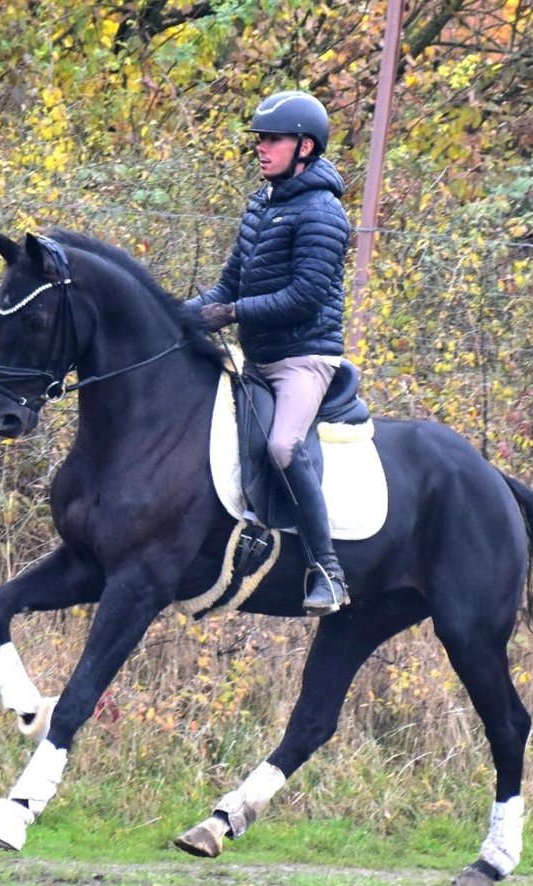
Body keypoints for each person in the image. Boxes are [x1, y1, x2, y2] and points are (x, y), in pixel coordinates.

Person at [185, 89, 351, 616]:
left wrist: (233, 313)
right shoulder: (262, 205)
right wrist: (173, 315)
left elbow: (304, 297)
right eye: (259, 139)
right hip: (256, 357)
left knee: (283, 447)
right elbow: (226, 286)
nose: (261, 148)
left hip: (304, 359)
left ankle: (328, 569)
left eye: (272, 139)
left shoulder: (324, 214)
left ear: (305, 147)